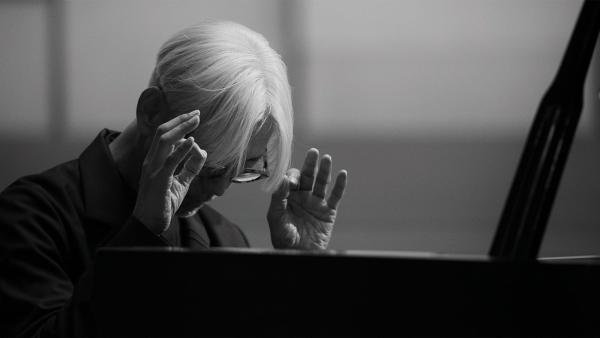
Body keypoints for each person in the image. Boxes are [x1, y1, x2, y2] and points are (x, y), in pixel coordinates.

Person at [0, 21, 347, 337]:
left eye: (244, 170)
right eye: (209, 169)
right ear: (152, 112)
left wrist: (301, 275)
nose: (221, 190)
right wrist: (143, 234)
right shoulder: (31, 217)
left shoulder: (222, 238)